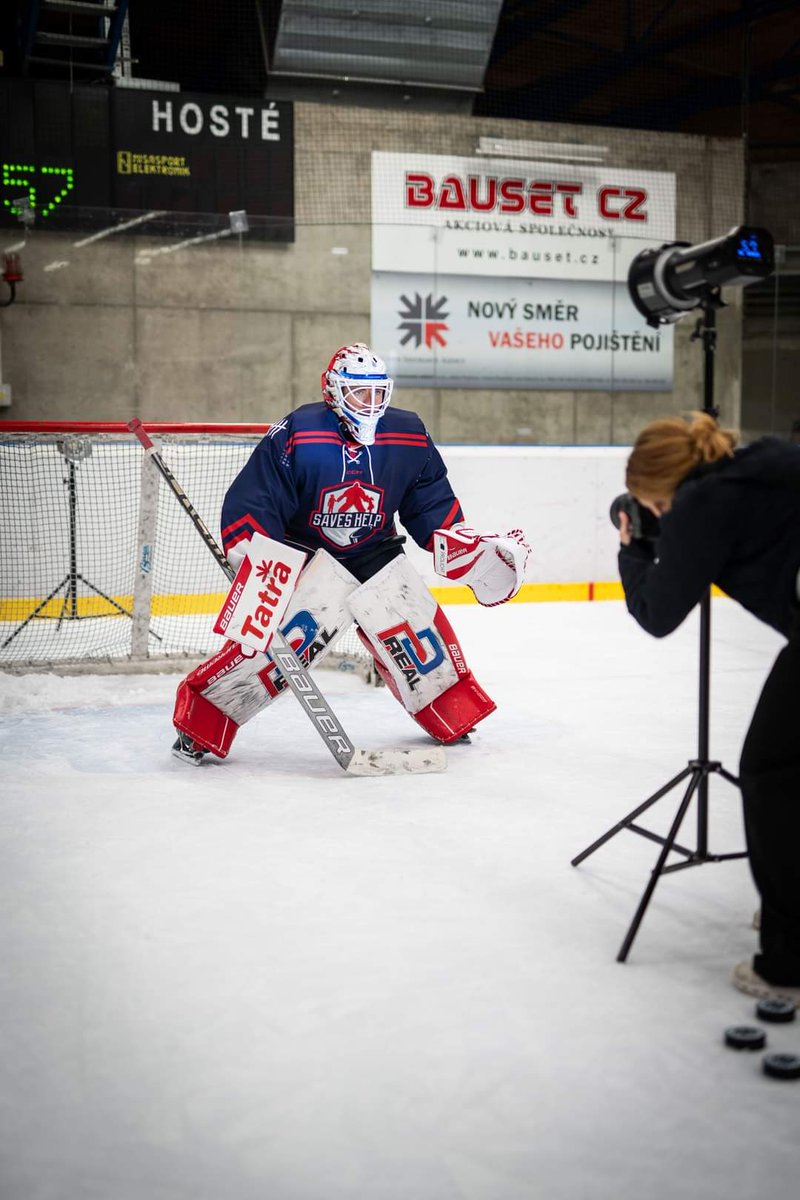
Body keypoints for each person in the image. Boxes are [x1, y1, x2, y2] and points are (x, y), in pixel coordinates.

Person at [172, 342, 530, 765]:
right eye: (361, 393)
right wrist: (261, 565)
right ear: (334, 392)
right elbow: (257, 499)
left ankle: (450, 712)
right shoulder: (298, 431)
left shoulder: (408, 433)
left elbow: (429, 503)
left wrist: (464, 548)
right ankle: (200, 726)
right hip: (307, 555)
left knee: (418, 633)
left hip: (376, 550)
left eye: (380, 393)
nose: (372, 403)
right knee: (274, 651)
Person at [616, 410, 800, 1004]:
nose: (663, 516)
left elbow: (658, 614)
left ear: (668, 488)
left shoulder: (701, 505)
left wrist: (632, 553)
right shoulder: (767, 459)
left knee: (772, 775)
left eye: (658, 508)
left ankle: (788, 961)